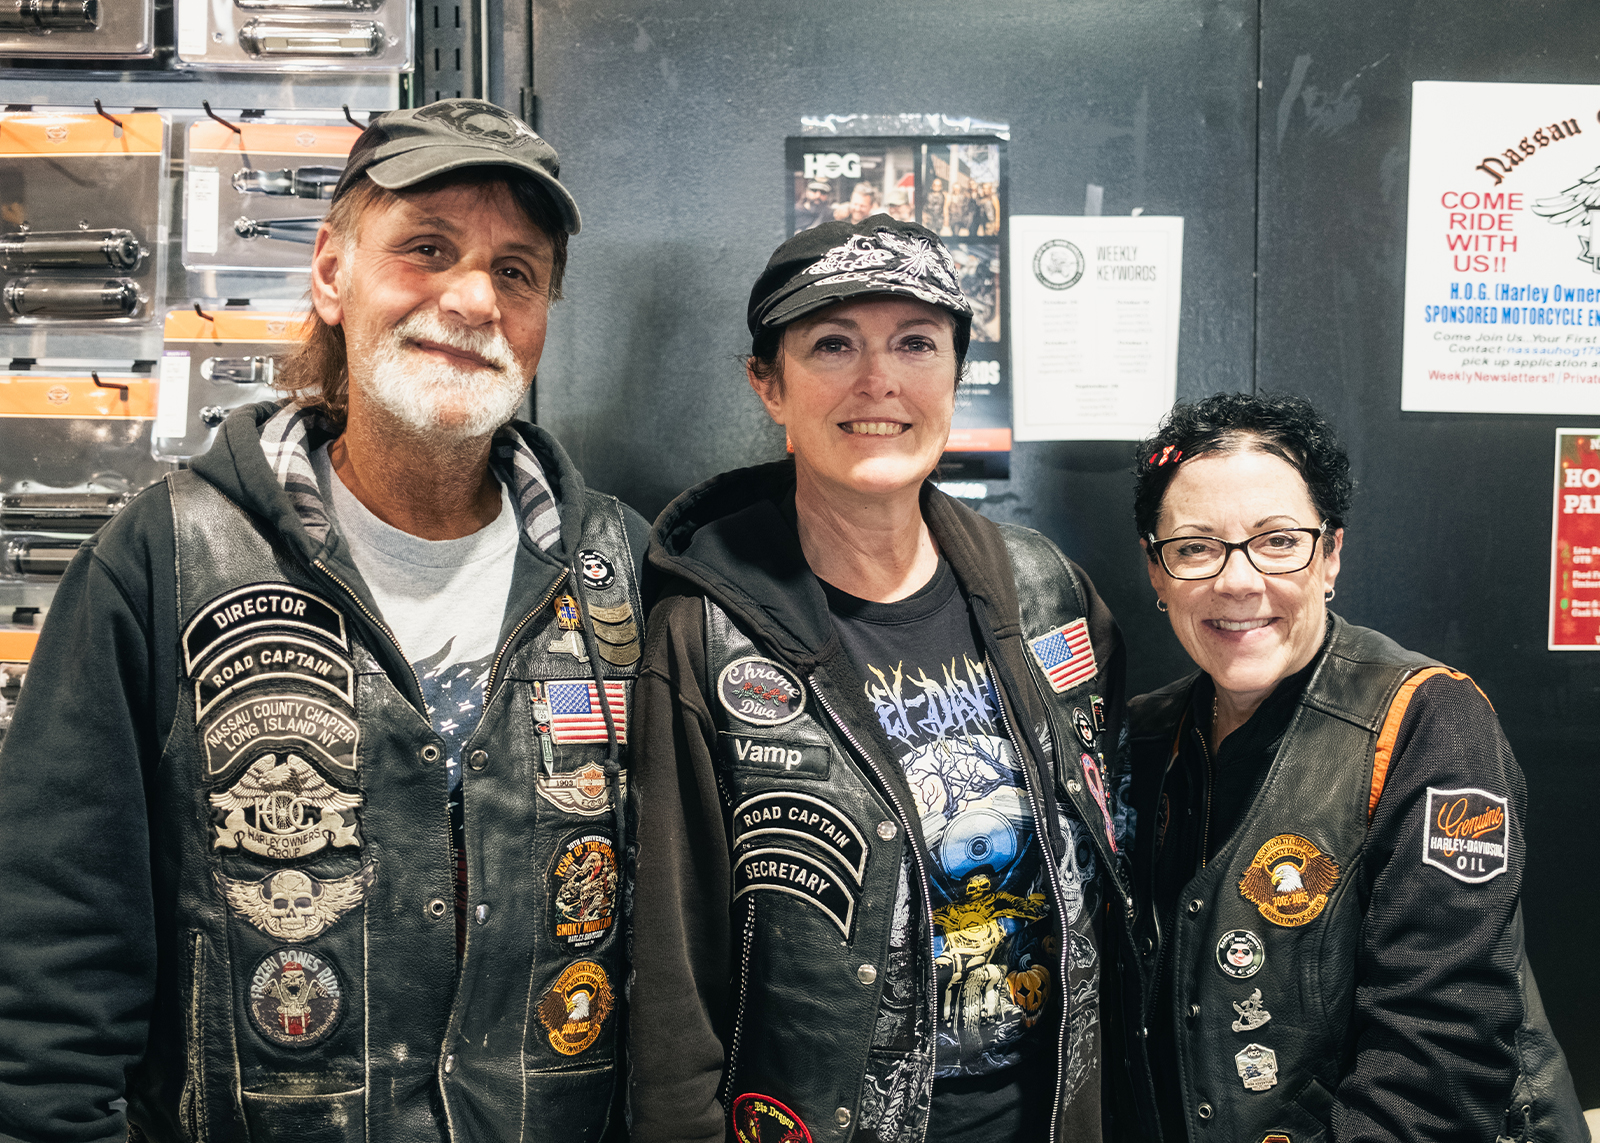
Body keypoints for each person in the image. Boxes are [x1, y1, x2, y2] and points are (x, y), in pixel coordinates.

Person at [0, 98, 648, 1143]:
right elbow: (50, 968)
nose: (473, 299)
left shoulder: (621, 569)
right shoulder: (163, 560)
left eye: (517, 272)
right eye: (425, 249)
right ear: (331, 274)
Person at [628, 214, 1134, 1143]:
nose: (880, 381)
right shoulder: (705, 632)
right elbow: (673, 983)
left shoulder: (1050, 594)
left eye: (915, 343)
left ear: (954, 375)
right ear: (767, 387)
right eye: (833, 345)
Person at [1117, 392, 1585, 1143]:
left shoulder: (1430, 723)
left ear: (1331, 553)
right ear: (1157, 571)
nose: (1237, 582)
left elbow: (1440, 1058)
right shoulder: (1144, 735)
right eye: (1197, 546)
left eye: (1277, 541)